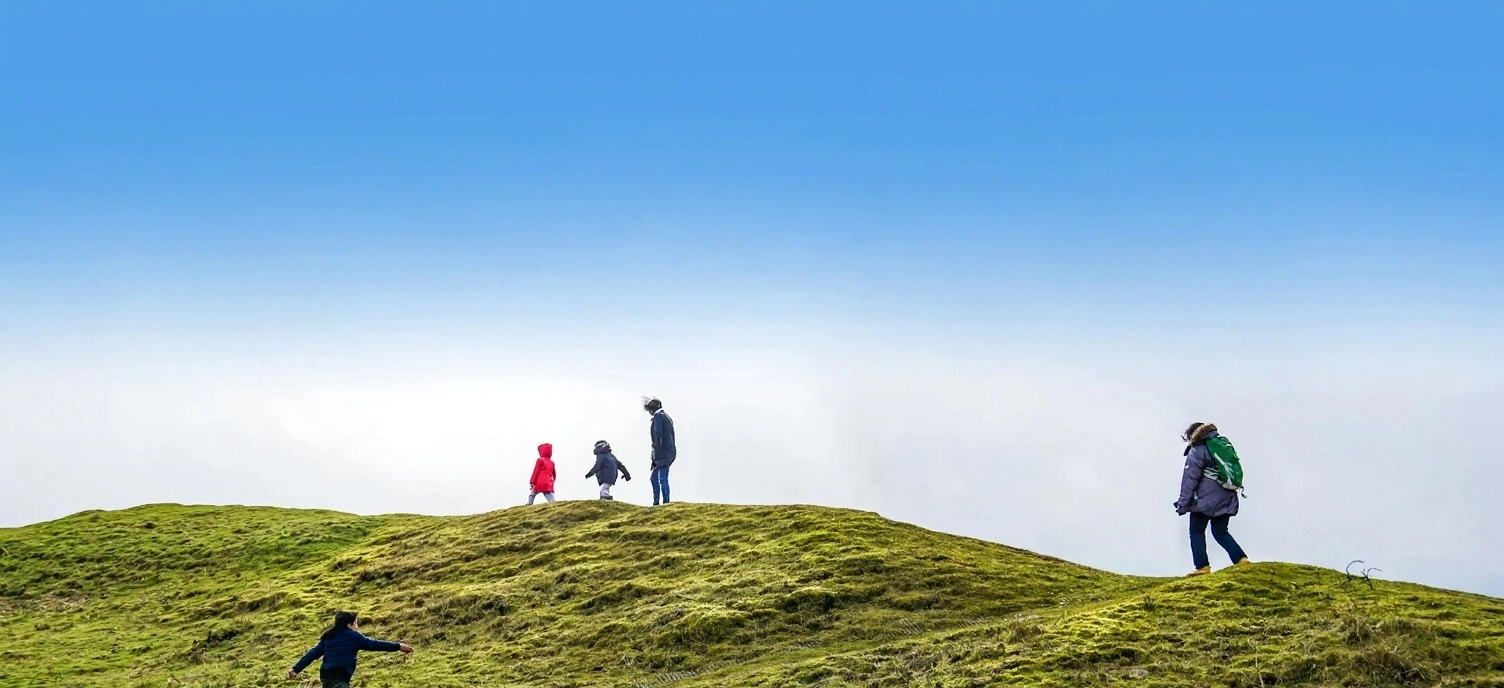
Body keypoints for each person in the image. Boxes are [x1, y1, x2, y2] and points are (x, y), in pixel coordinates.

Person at [1175, 422, 1251, 576]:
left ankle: (1202, 567)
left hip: (1204, 500)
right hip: (1227, 497)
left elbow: (1190, 480)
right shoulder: (1222, 445)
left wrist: (1183, 504)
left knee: (1196, 531)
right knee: (1220, 531)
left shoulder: (1198, 450)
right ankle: (1241, 559)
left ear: (1193, 435)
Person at [288, 610, 413, 687]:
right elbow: (375, 644)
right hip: (340, 677)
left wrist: (296, 669)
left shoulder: (329, 636)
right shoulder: (353, 636)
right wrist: (398, 646)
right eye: (356, 623)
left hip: (326, 677)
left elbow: (312, 654)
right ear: (349, 625)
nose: (357, 626)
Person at [643, 396, 676, 505]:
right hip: (669, 453)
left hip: (662, 454)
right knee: (660, 477)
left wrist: (655, 457)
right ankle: (662, 501)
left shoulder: (658, 417)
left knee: (659, 478)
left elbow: (657, 437)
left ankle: (660, 502)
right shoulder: (666, 417)